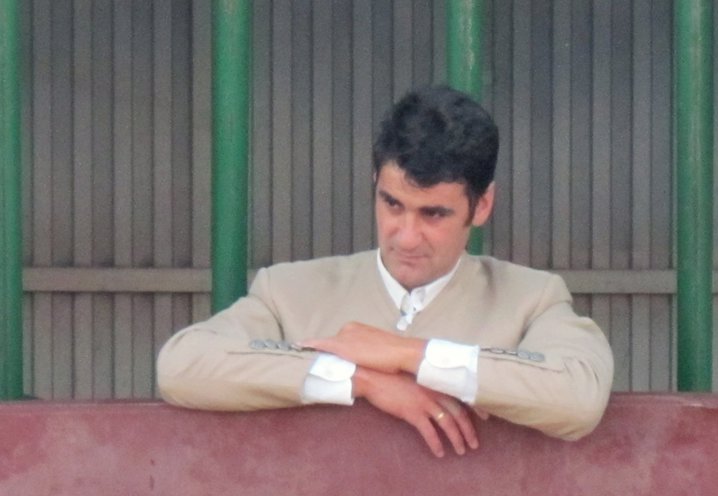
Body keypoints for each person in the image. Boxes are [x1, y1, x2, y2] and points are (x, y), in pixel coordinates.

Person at [157, 85, 613, 457]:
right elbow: (183, 364)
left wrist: (406, 354)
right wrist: (362, 379)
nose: (407, 236)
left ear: (482, 206)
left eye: (433, 214)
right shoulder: (289, 291)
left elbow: (579, 395)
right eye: (393, 205)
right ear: (375, 183)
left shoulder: (531, 299)